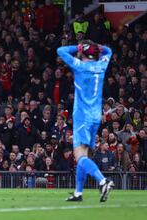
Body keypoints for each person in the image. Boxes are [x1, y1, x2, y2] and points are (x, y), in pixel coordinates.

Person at [57, 40, 114, 202]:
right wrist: (97, 47)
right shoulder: (101, 65)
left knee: (79, 155)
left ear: (83, 52)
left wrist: (78, 46)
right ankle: (78, 193)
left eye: (81, 51)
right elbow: (108, 50)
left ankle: (103, 181)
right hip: (96, 116)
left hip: (82, 116)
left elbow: (61, 51)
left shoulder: (80, 66)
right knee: (86, 155)